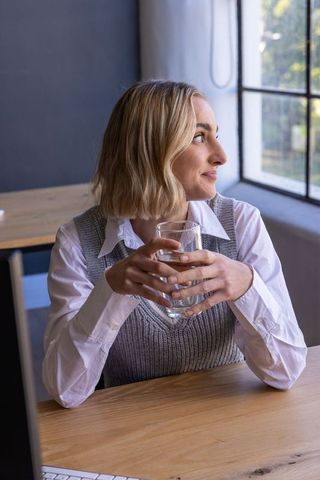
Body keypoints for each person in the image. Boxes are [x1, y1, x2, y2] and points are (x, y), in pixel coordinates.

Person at [42, 80, 307, 408]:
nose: (221, 156)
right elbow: (66, 391)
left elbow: (287, 371)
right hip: (132, 433)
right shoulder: (77, 241)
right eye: (199, 137)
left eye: (216, 135)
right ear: (151, 149)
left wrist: (247, 286)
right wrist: (110, 291)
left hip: (232, 422)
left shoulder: (241, 222)